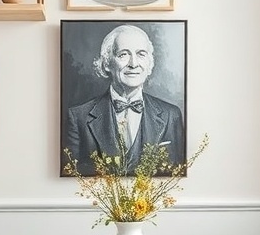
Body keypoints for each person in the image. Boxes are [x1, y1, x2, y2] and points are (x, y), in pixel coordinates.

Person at [64, 24, 185, 176]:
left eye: (141, 54)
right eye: (123, 54)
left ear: (150, 64)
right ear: (107, 62)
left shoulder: (171, 115)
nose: (133, 64)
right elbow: (71, 179)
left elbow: (176, 175)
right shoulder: (78, 117)